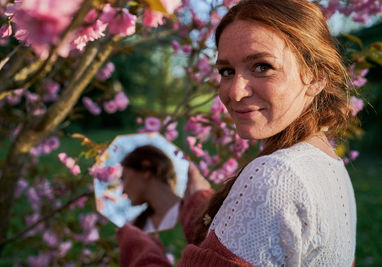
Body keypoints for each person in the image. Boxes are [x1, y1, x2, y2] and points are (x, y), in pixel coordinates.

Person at [116, 0, 357, 266]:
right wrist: (197, 197)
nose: (234, 91)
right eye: (227, 71)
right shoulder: (328, 166)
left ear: (316, 77)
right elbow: (254, 236)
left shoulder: (276, 175)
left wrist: (138, 242)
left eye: (262, 67)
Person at [121, 145, 181, 233]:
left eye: (123, 178)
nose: (123, 192)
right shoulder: (133, 227)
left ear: (145, 170)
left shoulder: (195, 211)